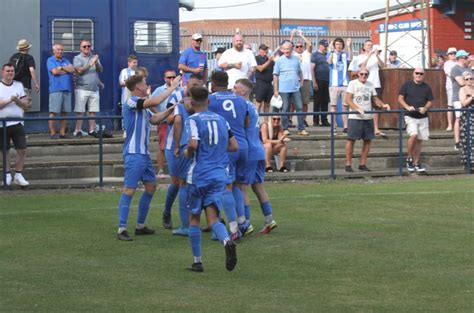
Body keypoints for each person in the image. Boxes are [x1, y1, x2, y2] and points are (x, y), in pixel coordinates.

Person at [116, 74, 180, 241]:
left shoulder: (141, 106)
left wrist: (170, 110)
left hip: (143, 154)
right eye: (144, 83)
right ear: (137, 87)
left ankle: (140, 225)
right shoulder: (131, 101)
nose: (147, 85)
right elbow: (154, 102)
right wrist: (172, 88)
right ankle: (121, 228)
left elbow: (155, 119)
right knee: (129, 190)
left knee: (151, 188)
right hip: (134, 154)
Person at [184, 86, 238, 273]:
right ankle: (227, 241)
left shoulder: (192, 120)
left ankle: (197, 261)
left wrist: (186, 152)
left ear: (191, 103)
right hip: (219, 174)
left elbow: (193, 143)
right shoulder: (222, 120)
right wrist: (216, 152)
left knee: (194, 218)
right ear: (208, 101)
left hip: (199, 175)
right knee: (213, 218)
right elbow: (234, 146)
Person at [234, 78, 278, 234]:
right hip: (258, 149)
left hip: (249, 151)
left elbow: (243, 126)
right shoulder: (253, 106)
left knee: (242, 187)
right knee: (258, 186)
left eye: (236, 87)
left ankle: (245, 223)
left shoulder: (242, 106)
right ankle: (269, 219)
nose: (233, 89)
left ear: (244, 91)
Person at [209, 71, 249, 240]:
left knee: (225, 187)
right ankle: (243, 222)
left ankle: (233, 229)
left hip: (227, 148)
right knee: (237, 185)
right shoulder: (241, 100)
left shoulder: (210, 100)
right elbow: (246, 122)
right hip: (243, 146)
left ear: (213, 84)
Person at [166, 74, 204, 236]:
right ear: (186, 83)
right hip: (179, 145)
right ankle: (168, 213)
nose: (195, 87)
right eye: (193, 84)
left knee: (185, 184)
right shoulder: (178, 97)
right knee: (180, 183)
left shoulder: (196, 101)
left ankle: (188, 224)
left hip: (185, 145)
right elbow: (171, 120)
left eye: (198, 85)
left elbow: (178, 121)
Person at [344, 67, 390, 172]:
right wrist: (357, 108)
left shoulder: (370, 84)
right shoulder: (352, 83)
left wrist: (383, 105)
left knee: (368, 140)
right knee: (351, 140)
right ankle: (348, 164)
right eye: (362, 74)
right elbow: (348, 99)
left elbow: (375, 99)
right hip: (355, 117)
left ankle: (362, 164)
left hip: (368, 116)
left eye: (366, 74)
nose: (364, 76)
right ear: (358, 74)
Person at [0, 63, 30, 187]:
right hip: (2, 124)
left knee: (21, 149)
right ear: (3, 72)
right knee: (4, 150)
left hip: (17, 122)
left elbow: (26, 103)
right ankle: (7, 174)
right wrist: (10, 100)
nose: (10, 73)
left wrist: (17, 100)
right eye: (8, 71)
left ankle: (18, 174)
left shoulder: (19, 85)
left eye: (12, 71)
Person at [398, 68, 434, 174]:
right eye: (417, 73)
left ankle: (416, 163)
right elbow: (400, 98)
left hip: (422, 116)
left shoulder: (427, 87)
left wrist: (425, 108)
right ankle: (409, 158)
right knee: (413, 135)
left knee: (420, 140)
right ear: (413, 74)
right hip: (410, 115)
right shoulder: (407, 85)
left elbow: (430, 101)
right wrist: (407, 106)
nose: (419, 75)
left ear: (424, 75)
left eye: (421, 73)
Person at [274, 41, 308, 136]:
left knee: (300, 108)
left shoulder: (296, 59)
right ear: (282, 50)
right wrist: (276, 90)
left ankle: (301, 129)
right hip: (283, 89)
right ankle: (285, 128)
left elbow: (299, 71)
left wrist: (301, 80)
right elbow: (275, 76)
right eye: (284, 49)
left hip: (295, 89)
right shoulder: (279, 61)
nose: (286, 51)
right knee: (285, 109)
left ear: (291, 49)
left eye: (288, 49)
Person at [73, 40, 104, 138]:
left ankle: (91, 130)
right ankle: (78, 130)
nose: (87, 48)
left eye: (88, 46)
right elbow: (80, 70)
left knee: (92, 111)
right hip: (82, 88)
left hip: (94, 89)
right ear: (80, 48)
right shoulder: (77, 58)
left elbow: (100, 70)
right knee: (80, 111)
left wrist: (96, 62)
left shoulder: (94, 57)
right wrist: (90, 63)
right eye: (84, 46)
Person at [151, 69, 177, 178]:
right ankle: (160, 170)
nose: (171, 79)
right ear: (164, 78)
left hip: (177, 121)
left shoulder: (180, 89)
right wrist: (161, 114)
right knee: (162, 146)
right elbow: (151, 104)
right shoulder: (159, 90)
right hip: (164, 122)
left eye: (173, 77)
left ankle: (175, 170)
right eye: (169, 77)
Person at [357, 40, 385, 137]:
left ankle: (376, 128)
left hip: (375, 83)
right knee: (364, 104)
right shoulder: (360, 56)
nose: (370, 47)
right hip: (364, 84)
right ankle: (364, 127)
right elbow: (362, 66)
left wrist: (376, 56)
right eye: (368, 45)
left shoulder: (375, 57)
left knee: (376, 106)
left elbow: (383, 65)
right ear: (364, 47)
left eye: (371, 45)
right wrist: (369, 55)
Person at [46, 43, 75, 139]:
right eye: (58, 49)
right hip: (56, 89)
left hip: (67, 89)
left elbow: (72, 69)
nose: (60, 51)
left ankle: (62, 133)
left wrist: (62, 68)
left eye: (62, 50)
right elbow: (54, 72)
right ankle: (53, 133)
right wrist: (65, 70)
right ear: (53, 50)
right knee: (53, 112)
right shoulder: (50, 60)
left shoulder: (65, 60)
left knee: (65, 112)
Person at [327, 37, 351, 133]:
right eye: (337, 44)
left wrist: (349, 46)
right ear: (334, 45)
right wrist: (332, 51)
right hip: (334, 84)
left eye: (340, 44)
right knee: (333, 106)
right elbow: (329, 62)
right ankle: (333, 127)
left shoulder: (345, 54)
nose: (339, 46)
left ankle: (346, 126)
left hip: (345, 84)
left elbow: (351, 58)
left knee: (345, 106)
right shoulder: (331, 54)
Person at [9, 39, 40, 108]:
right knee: (24, 106)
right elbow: (31, 70)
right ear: (27, 48)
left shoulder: (13, 57)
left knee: (13, 106)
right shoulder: (29, 58)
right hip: (25, 86)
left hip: (13, 85)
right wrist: (36, 84)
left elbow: (9, 70)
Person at [291, 29, 313, 126]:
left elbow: (310, 45)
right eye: (297, 46)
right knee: (293, 102)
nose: (299, 48)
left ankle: (303, 119)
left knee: (305, 102)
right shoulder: (293, 54)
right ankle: (290, 119)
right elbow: (287, 45)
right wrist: (292, 35)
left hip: (306, 80)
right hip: (295, 80)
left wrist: (302, 35)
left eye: (301, 46)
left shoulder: (306, 54)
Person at [451, 50, 471, 150]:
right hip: (458, 97)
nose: (468, 59)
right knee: (459, 119)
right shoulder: (455, 69)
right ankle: (457, 142)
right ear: (461, 58)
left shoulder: (469, 69)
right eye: (466, 57)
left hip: (470, 97)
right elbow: (462, 82)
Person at [311, 39, 330, 127]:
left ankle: (324, 120)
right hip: (318, 79)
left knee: (325, 101)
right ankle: (316, 121)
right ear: (320, 45)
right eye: (324, 46)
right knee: (317, 101)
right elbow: (312, 68)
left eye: (326, 46)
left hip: (326, 80)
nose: (325, 47)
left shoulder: (327, 55)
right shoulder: (315, 55)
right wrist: (314, 81)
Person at [458, 71, 474, 172]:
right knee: (468, 139)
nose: (469, 81)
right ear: (464, 80)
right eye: (467, 79)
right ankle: (468, 163)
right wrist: (472, 97)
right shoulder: (462, 89)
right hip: (468, 116)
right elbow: (463, 103)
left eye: (471, 78)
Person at [254, 44, 274, 113]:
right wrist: (269, 61)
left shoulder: (270, 59)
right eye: (263, 49)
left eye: (266, 49)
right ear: (259, 50)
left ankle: (266, 122)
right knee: (258, 103)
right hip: (260, 83)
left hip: (269, 84)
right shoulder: (256, 58)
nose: (265, 51)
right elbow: (260, 68)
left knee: (267, 104)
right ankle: (257, 121)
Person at [119, 55, 138, 122]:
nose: (135, 64)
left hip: (136, 95)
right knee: (125, 110)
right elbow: (121, 82)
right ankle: (124, 127)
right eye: (134, 62)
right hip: (126, 96)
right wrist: (132, 82)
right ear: (129, 63)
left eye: (136, 62)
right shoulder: (124, 71)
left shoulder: (138, 72)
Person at [444, 47, 458, 132]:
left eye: (454, 53)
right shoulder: (447, 63)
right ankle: (450, 125)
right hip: (451, 87)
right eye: (451, 53)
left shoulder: (459, 63)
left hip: (460, 87)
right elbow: (449, 73)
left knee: (459, 105)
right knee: (450, 105)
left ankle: (458, 124)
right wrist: (459, 78)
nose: (453, 55)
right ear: (448, 55)